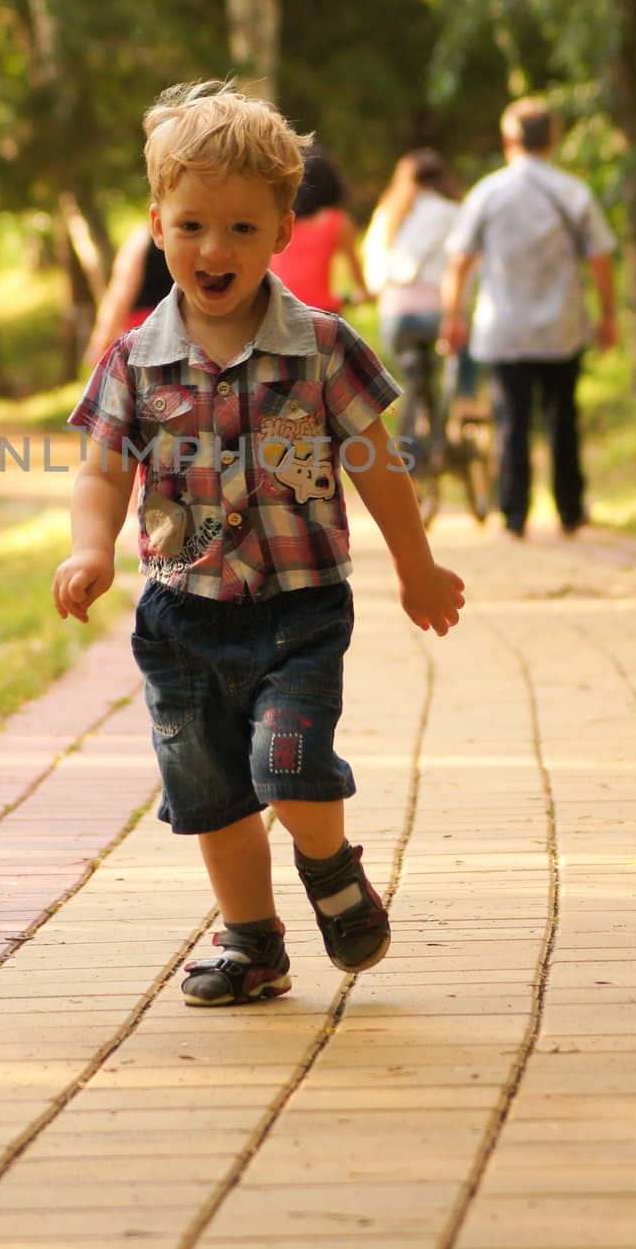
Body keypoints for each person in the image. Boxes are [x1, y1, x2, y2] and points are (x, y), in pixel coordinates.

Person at [53, 80, 465, 1008]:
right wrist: (91, 550)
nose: (214, 249)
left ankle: (329, 870)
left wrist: (417, 564)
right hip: (180, 616)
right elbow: (100, 472)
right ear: (159, 225)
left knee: (287, 760)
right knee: (210, 792)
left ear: (284, 231)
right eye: (194, 226)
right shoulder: (133, 359)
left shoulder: (321, 346)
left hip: (299, 607)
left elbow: (378, 462)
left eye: (242, 229)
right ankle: (252, 944)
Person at [439, 96, 617, 539]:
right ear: (553, 139)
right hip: (563, 326)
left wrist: (453, 315)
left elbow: (459, 262)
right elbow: (599, 259)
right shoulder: (573, 191)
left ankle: (514, 514)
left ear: (508, 140)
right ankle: (570, 511)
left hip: (504, 329)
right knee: (563, 419)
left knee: (511, 419)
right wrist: (608, 314)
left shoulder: (488, 192)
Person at [361, 149, 469, 443]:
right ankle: (444, 433)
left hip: (395, 313)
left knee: (411, 375)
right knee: (447, 367)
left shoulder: (388, 213)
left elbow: (373, 271)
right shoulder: (453, 212)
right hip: (435, 310)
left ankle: (412, 444)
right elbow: (464, 266)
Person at [270, 145, 369, 311]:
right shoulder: (337, 222)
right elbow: (355, 272)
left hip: (280, 309)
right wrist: (365, 293)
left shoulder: (277, 221)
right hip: (321, 311)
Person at [82, 224, 173, 370]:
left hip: (144, 337)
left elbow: (120, 295)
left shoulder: (141, 238)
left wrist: (99, 344)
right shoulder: (192, 236)